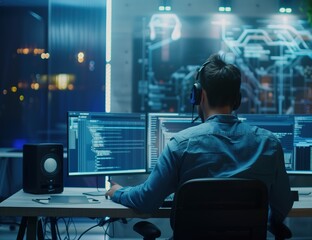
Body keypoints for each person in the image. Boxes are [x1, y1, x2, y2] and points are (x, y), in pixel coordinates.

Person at [105, 53, 294, 231]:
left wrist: (118, 192)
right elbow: (283, 205)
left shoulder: (180, 145)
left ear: (199, 95)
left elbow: (147, 201)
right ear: (237, 100)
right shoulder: (270, 144)